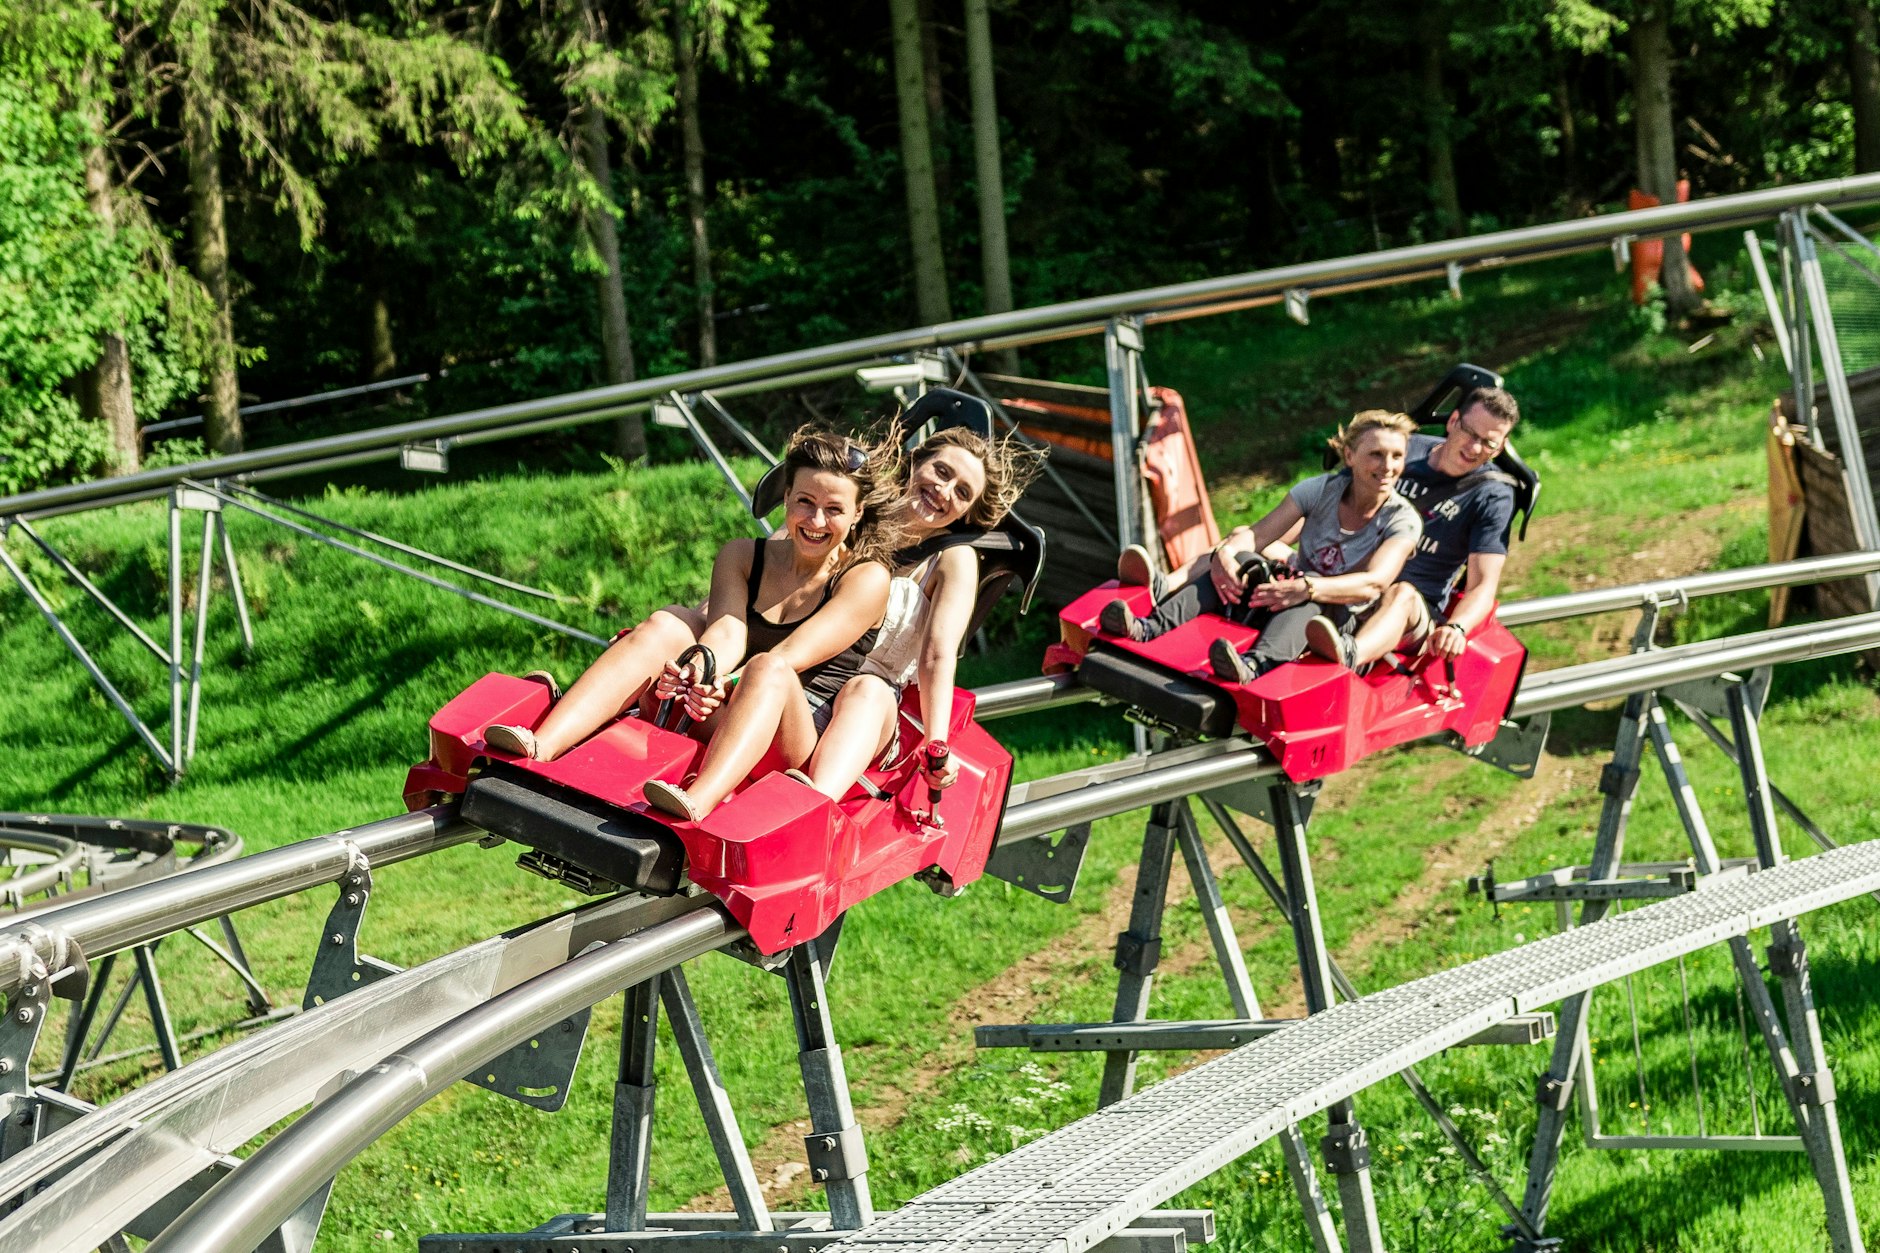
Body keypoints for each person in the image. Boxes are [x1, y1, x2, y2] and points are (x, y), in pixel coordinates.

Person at [484, 427, 893, 764]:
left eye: (834, 509)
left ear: (857, 513)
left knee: (768, 669)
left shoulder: (865, 578)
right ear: (785, 498)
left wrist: (724, 684)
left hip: (786, 736)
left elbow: (788, 657)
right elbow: (727, 635)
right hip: (720, 707)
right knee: (670, 621)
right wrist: (699, 669)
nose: (816, 521)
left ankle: (699, 799)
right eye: (805, 502)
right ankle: (542, 744)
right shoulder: (743, 556)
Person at [788, 426, 1045, 803]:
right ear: (917, 462)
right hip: (800, 676)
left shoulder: (954, 560)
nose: (944, 491)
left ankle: (810, 806)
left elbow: (937, 655)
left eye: (961, 492)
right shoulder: (852, 511)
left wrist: (936, 745)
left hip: (863, 705)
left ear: (968, 512)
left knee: (870, 691)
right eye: (942, 472)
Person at [1099, 410, 1423, 682]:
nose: (1388, 466)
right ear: (1350, 456)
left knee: (1309, 600)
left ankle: (1255, 665)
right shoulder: (1320, 489)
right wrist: (1223, 556)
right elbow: (1258, 534)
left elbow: (1374, 583)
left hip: (1335, 617)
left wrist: (1308, 588)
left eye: (1396, 456)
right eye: (1376, 455)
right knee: (1241, 558)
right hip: (1289, 595)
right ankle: (1148, 627)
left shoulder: (1402, 519)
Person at [1344, 386, 1522, 669]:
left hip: (1412, 607)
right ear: (1453, 422)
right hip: (1350, 579)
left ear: (1499, 447)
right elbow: (1329, 501)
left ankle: (1348, 656)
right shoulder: (1404, 449)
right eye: (1470, 433)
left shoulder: (1493, 494)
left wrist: (1457, 628)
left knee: (1400, 594)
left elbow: (1482, 586)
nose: (1474, 448)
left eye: (1488, 443)